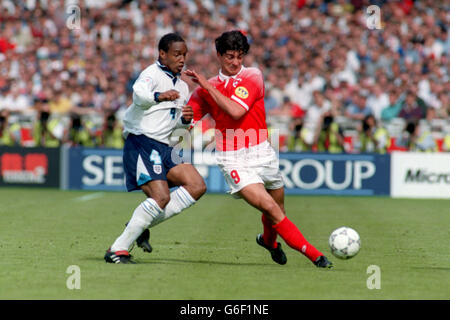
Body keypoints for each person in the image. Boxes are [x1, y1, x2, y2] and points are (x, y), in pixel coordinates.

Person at [185, 30, 332, 268]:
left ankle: (269, 242)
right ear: (219, 56)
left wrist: (206, 87)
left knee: (278, 208)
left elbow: (236, 111)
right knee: (270, 207)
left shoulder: (253, 76)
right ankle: (315, 255)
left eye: (239, 57)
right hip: (231, 157)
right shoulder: (205, 88)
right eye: (230, 57)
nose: (235, 62)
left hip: (262, 151)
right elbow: (188, 119)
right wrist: (180, 117)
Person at [104, 33, 206, 264]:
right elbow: (138, 95)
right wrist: (159, 96)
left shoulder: (181, 86)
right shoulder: (151, 74)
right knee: (161, 197)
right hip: (143, 141)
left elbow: (175, 127)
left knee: (197, 186)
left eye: (184, 55)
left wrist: (185, 120)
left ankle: (138, 227)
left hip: (165, 146)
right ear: (162, 54)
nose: (182, 59)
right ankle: (117, 249)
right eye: (176, 54)